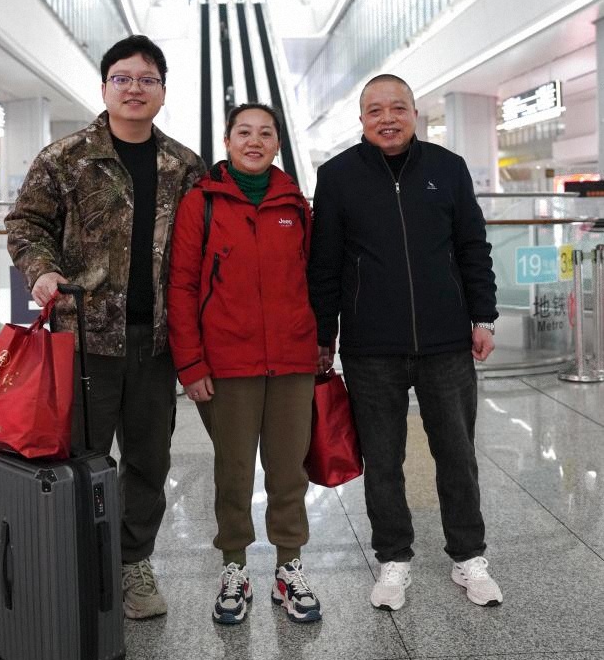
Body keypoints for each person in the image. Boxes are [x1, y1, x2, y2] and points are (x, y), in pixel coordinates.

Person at [5, 34, 205, 619]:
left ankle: (133, 562)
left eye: (146, 79)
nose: (134, 88)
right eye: (123, 78)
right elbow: (26, 225)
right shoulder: (65, 158)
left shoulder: (184, 167)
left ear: (162, 92)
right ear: (104, 88)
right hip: (83, 339)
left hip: (155, 342)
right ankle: (78, 563)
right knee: (79, 459)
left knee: (149, 461)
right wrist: (42, 270)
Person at [308, 74, 502, 611]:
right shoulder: (337, 176)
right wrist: (324, 335)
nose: (387, 118)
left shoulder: (448, 168)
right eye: (376, 110)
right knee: (383, 458)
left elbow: (473, 246)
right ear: (362, 119)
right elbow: (324, 264)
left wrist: (483, 317)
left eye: (398, 108)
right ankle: (393, 557)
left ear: (415, 113)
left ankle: (468, 555)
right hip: (371, 346)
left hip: (446, 341)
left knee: (457, 453)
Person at [167, 103, 321, 625]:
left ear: (277, 143)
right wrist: (190, 364)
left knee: (289, 470)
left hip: (292, 359)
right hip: (227, 363)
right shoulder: (201, 203)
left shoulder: (295, 204)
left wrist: (320, 343)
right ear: (227, 140)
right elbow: (182, 286)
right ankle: (234, 566)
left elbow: (312, 280)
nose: (254, 141)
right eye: (244, 132)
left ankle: (288, 567)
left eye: (265, 133)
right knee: (233, 471)